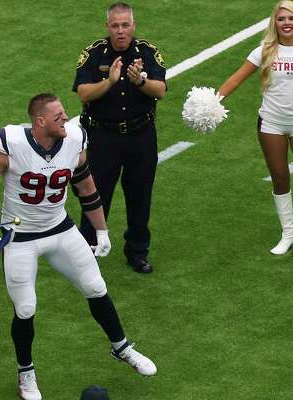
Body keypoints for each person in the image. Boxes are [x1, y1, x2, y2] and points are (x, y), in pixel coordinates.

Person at [0, 94, 156, 400]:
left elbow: (84, 183)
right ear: (39, 122)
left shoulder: (74, 138)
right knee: (25, 307)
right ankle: (25, 373)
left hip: (60, 229)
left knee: (96, 287)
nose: (65, 119)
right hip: (21, 236)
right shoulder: (11, 141)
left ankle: (121, 347)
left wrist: (101, 229)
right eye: (58, 117)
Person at [218, 0, 293, 264]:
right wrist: (213, 100)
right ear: (274, 23)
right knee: (280, 179)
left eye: (291, 18)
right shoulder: (264, 51)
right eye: (281, 19)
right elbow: (236, 78)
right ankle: (288, 234)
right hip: (271, 124)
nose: (286, 23)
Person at [73, 2, 166, 274]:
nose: (121, 31)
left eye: (126, 25)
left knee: (140, 195)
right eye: (115, 26)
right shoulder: (93, 54)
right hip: (103, 137)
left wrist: (140, 82)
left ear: (134, 26)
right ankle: (87, 250)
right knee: (94, 194)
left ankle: (137, 251)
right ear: (107, 27)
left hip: (141, 136)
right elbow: (83, 93)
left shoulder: (147, 52)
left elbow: (160, 90)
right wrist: (109, 82)